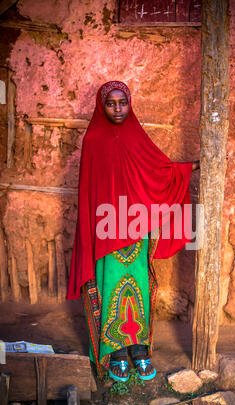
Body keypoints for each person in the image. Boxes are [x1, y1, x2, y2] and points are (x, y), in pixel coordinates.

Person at [66, 80, 200, 382]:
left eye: (122, 102)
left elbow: (157, 170)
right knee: (110, 286)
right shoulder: (94, 140)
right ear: (102, 105)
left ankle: (139, 350)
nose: (117, 108)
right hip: (105, 230)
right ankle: (115, 352)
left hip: (135, 230)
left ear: (130, 104)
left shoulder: (136, 136)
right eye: (111, 103)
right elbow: (89, 191)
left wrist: (186, 168)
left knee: (137, 286)